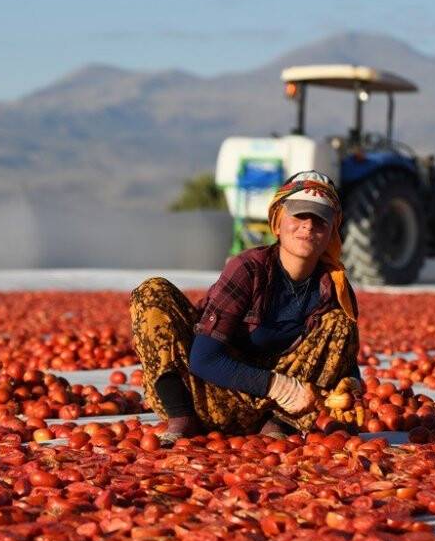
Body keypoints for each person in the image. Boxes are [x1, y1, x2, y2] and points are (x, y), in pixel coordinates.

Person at [129, 171, 363, 443]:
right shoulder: (249, 269)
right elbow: (203, 359)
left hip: (269, 411)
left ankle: (279, 425)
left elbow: (343, 359)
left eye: (320, 219)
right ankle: (181, 418)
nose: (309, 226)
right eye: (299, 215)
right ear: (277, 222)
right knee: (152, 291)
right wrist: (282, 388)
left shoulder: (335, 288)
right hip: (203, 392)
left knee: (340, 323)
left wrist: (351, 386)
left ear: (332, 231)